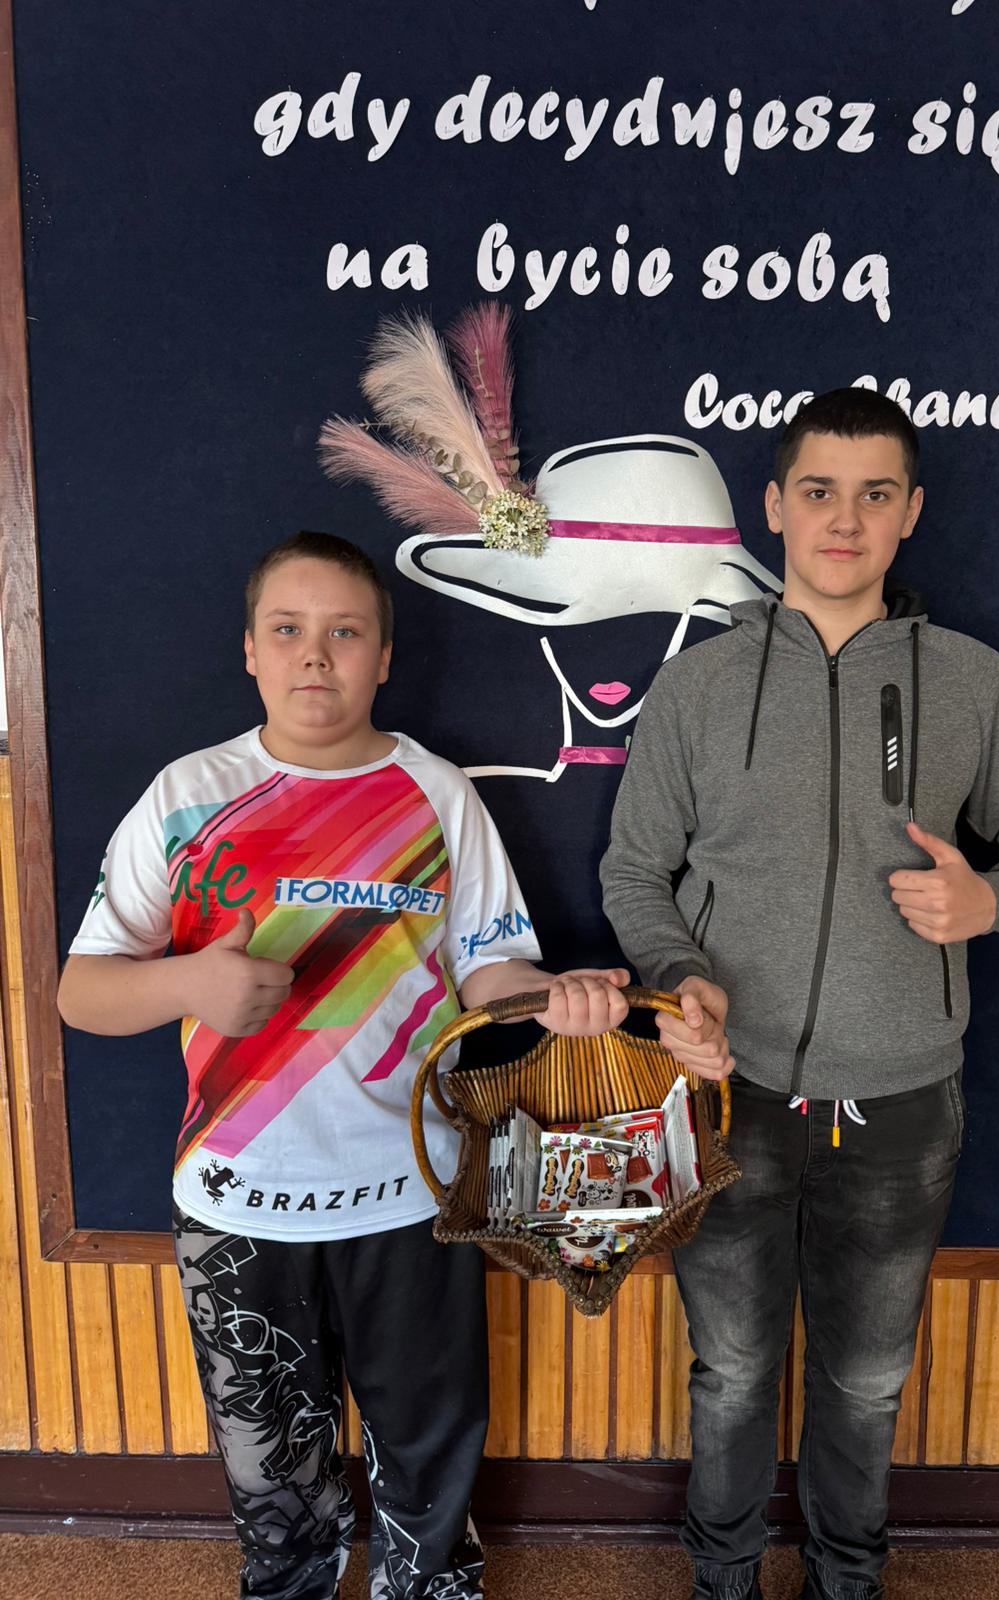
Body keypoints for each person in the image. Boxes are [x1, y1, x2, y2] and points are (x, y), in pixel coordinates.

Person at [58, 530, 630, 1600]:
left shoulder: (437, 794)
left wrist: (555, 999)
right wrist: (188, 985)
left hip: (410, 1193)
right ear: (250, 650)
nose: (315, 654)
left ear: (384, 654)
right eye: (288, 630)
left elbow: (488, 971)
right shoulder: (188, 794)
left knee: (429, 1468)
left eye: (345, 632)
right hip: (236, 1199)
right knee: (273, 1490)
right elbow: (80, 993)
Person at [599, 389, 999, 1600]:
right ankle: (721, 1580)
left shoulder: (970, 682)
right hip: (730, 1091)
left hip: (904, 1100)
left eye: (876, 494)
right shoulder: (701, 687)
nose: (845, 519)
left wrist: (990, 902)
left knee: (866, 1381)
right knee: (730, 1371)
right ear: (774, 505)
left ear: (911, 512)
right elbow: (634, 872)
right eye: (819, 490)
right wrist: (682, 980)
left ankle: (846, 1581)